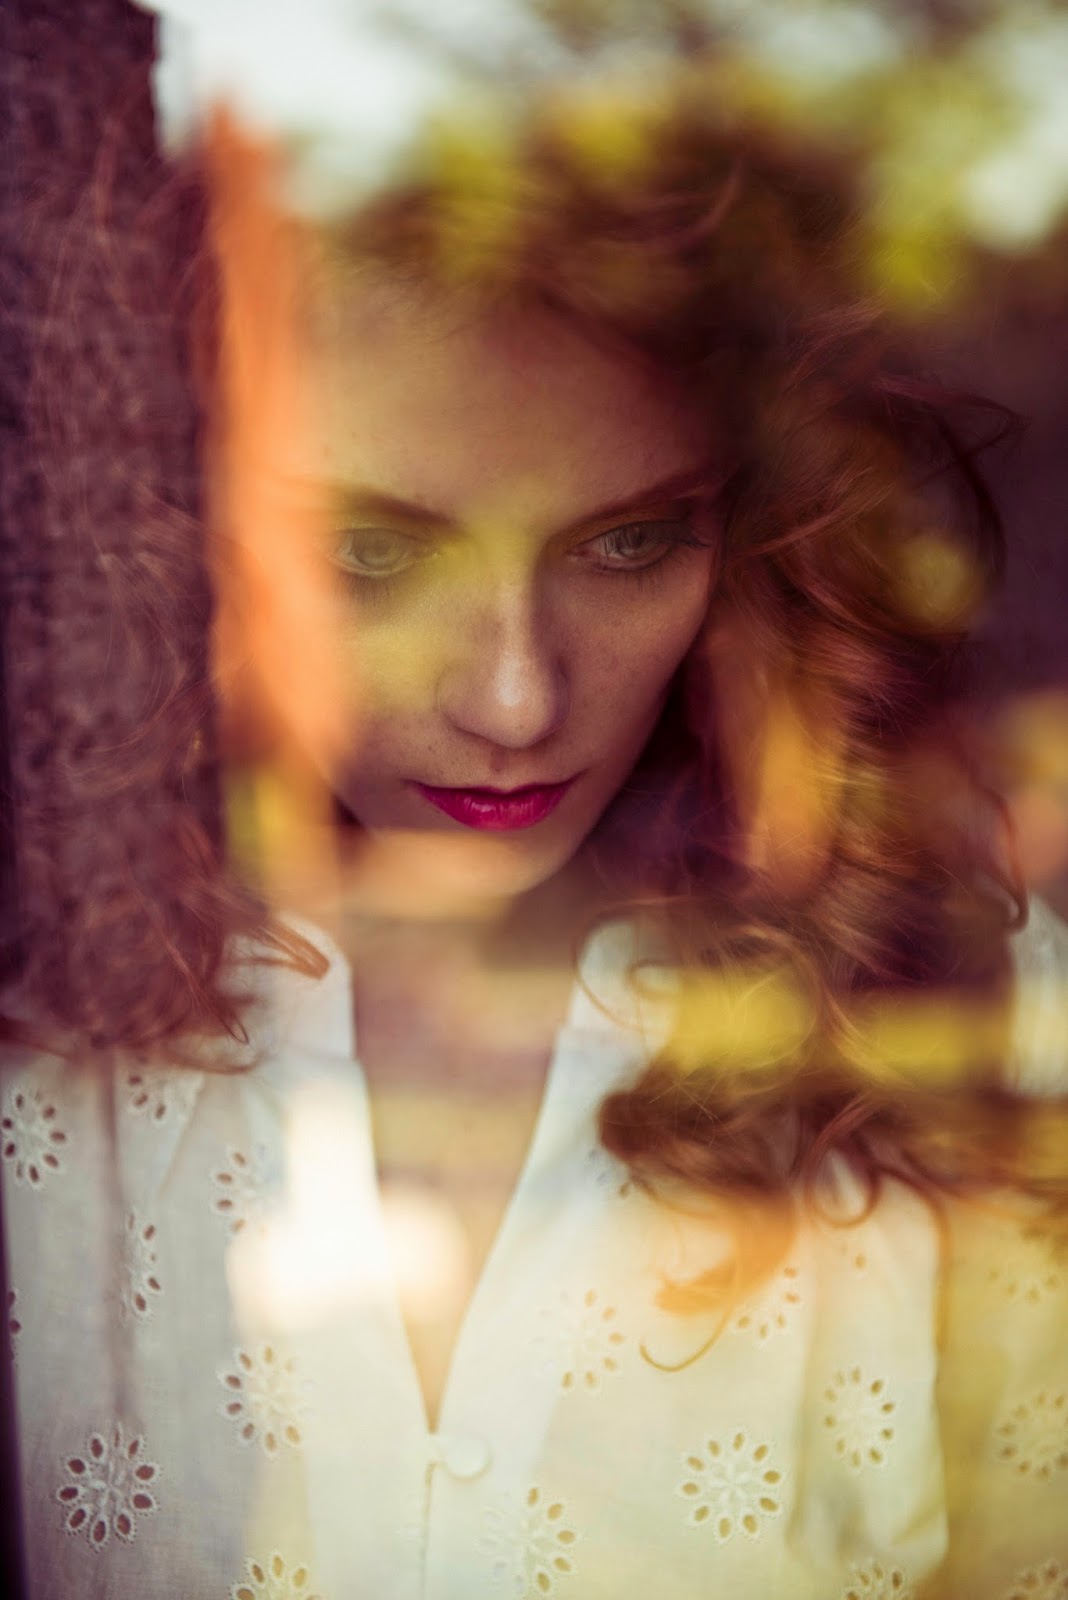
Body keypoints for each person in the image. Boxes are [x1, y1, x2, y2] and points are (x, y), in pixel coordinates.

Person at [2, 5, 1067, 1598]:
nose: (517, 699)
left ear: (752, 537)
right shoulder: (39, 1066)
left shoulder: (988, 1022)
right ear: (173, 527)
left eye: (629, 543)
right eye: (369, 552)